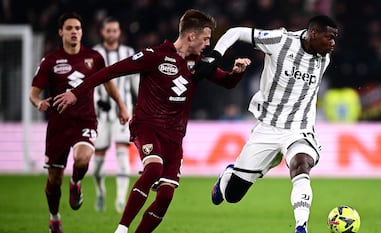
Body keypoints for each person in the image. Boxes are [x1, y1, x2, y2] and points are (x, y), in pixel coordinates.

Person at [53, 9, 251, 233]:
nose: (209, 44)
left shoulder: (200, 63)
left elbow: (227, 83)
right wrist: (75, 93)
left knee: (165, 196)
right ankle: (122, 228)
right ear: (191, 36)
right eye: (206, 38)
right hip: (147, 127)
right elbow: (109, 72)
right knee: (153, 169)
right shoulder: (154, 56)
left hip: (174, 137)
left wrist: (237, 72)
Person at [205, 15, 339, 233]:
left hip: (299, 129)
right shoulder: (280, 41)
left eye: (335, 38)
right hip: (267, 128)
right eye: (329, 37)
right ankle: (228, 177)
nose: (333, 44)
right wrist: (215, 56)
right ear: (313, 33)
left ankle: (301, 226)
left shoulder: (323, 56)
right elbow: (236, 32)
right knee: (232, 195)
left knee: (301, 164)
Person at [29, 12, 130, 233]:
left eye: (78, 28)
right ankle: (54, 217)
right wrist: (38, 103)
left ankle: (76, 182)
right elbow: (33, 93)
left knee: (82, 160)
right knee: (54, 180)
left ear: (82, 32)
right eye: (70, 28)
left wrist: (121, 105)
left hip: (85, 120)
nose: (74, 32)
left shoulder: (93, 57)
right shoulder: (50, 61)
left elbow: (107, 83)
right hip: (58, 126)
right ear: (61, 32)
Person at [92, 16, 139, 213]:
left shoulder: (128, 53)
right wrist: (94, 103)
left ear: (119, 32)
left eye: (115, 30)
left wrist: (139, 107)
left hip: (123, 112)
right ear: (103, 32)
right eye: (108, 30)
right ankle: (101, 191)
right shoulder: (95, 54)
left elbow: (136, 84)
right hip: (100, 115)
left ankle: (120, 200)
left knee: (122, 156)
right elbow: (90, 83)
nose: (111, 33)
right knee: (98, 160)